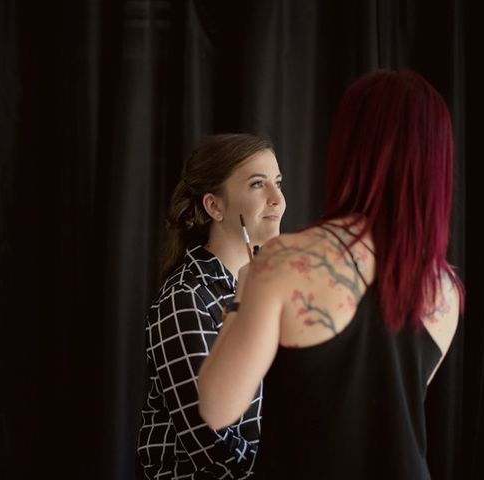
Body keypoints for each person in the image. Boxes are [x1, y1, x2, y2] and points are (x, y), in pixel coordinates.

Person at [197, 70, 464, 479]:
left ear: (350, 149)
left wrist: (243, 295)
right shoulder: (445, 290)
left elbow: (217, 408)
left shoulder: (285, 261)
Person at [136, 133, 286, 479]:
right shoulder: (186, 298)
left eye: (277, 183)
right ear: (214, 207)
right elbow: (210, 447)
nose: (277, 199)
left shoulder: (269, 291)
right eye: (257, 185)